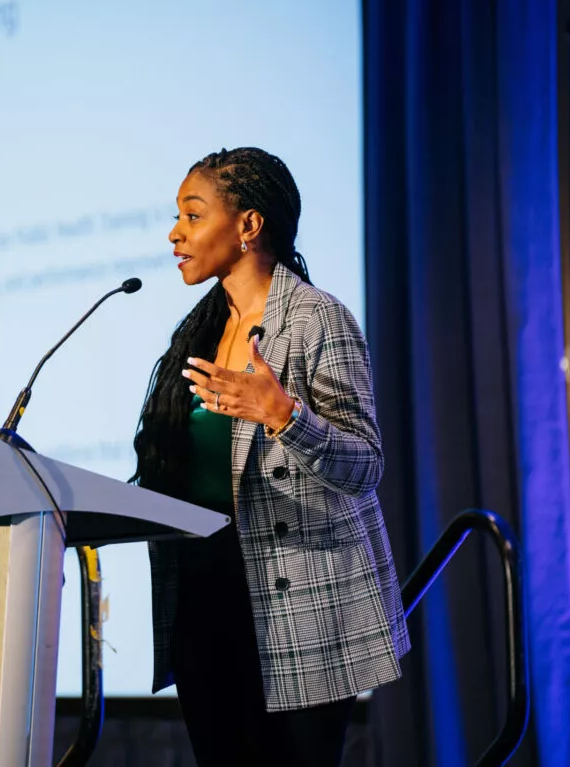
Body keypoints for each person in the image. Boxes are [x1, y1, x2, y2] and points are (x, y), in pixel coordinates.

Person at [132, 147, 410, 766]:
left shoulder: (317, 320)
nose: (175, 233)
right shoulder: (199, 330)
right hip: (206, 601)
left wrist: (284, 415)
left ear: (248, 225)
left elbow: (365, 465)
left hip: (299, 606)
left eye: (193, 215)